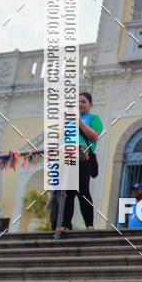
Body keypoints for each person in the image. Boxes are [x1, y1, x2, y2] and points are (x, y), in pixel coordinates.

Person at [51, 92, 102, 231]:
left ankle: (89, 225)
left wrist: (78, 120)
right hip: (66, 158)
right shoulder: (68, 120)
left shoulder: (94, 118)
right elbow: (58, 140)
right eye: (77, 102)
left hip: (83, 158)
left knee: (83, 191)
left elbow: (94, 136)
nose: (80, 104)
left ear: (90, 104)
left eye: (83, 101)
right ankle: (66, 225)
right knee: (67, 192)